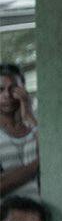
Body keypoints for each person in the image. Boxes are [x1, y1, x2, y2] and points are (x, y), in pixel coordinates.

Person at [0, 65, 37, 198]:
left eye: (14, 89)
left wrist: (29, 115)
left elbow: (58, 158)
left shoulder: (36, 126)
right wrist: (39, 164)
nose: (7, 95)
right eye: (1, 89)